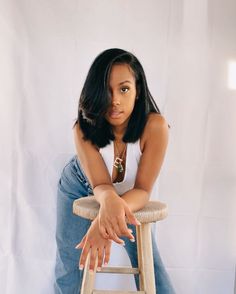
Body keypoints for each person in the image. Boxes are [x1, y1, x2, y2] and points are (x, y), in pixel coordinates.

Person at [54, 48, 176, 293]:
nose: (115, 100)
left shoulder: (155, 127)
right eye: (106, 90)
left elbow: (142, 190)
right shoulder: (83, 128)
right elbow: (101, 186)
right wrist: (104, 215)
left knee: (148, 261)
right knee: (71, 259)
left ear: (137, 90)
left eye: (124, 89)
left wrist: (102, 222)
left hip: (130, 192)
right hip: (80, 184)